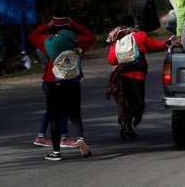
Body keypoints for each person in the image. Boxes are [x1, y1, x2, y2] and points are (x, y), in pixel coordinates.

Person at [28, 15, 96, 161]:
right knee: (75, 114)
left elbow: (32, 35)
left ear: (54, 27)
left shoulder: (47, 41)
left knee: (55, 117)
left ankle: (56, 152)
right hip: (72, 80)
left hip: (53, 82)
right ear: (68, 27)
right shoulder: (75, 40)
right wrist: (74, 23)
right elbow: (91, 36)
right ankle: (80, 139)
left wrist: (47, 25)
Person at [106, 14, 172, 139]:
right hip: (137, 76)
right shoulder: (139, 36)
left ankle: (126, 127)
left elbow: (111, 59)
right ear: (132, 24)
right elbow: (154, 46)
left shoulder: (117, 39)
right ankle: (127, 121)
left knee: (126, 103)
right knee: (138, 103)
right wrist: (167, 43)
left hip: (122, 76)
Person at [33, 49, 77, 148]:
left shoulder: (45, 46)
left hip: (48, 81)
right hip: (55, 81)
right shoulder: (54, 48)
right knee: (63, 109)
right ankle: (64, 138)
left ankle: (41, 136)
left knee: (50, 110)